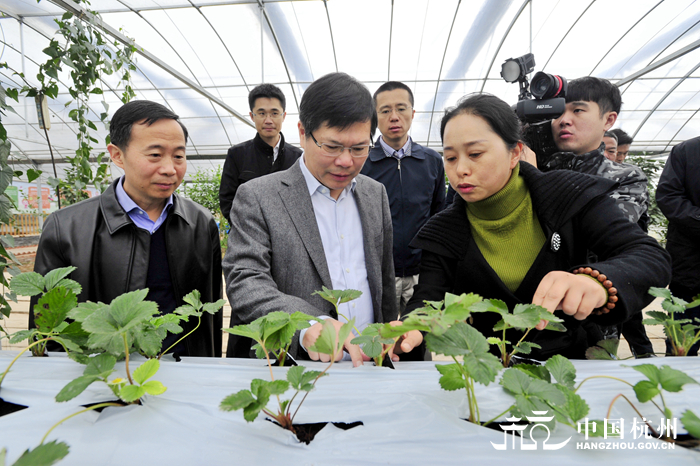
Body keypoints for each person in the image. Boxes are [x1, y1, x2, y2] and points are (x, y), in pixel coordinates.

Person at [404, 93, 671, 360]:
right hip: (490, 370)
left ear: (515, 153)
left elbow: (648, 256)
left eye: (475, 154)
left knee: (545, 406)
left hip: (571, 366)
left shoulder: (568, 196)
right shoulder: (444, 231)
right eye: (450, 158)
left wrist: (597, 281)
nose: (461, 169)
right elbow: (429, 298)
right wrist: (411, 328)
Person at [223, 72, 422, 365]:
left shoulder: (374, 194)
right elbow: (245, 280)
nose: (345, 161)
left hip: (368, 365)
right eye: (331, 147)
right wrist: (306, 324)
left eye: (359, 148)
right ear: (303, 133)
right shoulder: (259, 196)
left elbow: (382, 280)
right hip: (295, 370)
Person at [31, 100, 223, 357]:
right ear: (117, 154)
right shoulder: (65, 228)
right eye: (155, 155)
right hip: (100, 375)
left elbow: (210, 315)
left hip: (182, 374)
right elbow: (47, 330)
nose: (169, 169)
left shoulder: (200, 223)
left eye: (179, 155)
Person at [360, 81, 445, 315]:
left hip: (422, 274)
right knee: (381, 340)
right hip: (379, 274)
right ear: (375, 118)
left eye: (401, 108)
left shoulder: (432, 161)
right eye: (385, 111)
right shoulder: (362, 165)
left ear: (412, 113)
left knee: (418, 340)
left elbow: (439, 215)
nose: (394, 117)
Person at [218, 83, 302, 223]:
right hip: (249, 236)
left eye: (274, 113)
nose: (268, 120)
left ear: (284, 116)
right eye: (262, 113)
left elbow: (302, 200)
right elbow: (227, 201)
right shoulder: (237, 154)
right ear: (252, 116)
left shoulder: (297, 157)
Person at [656, 136, 700, 356]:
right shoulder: (686, 151)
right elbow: (668, 196)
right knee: (682, 342)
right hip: (690, 266)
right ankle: (675, 388)